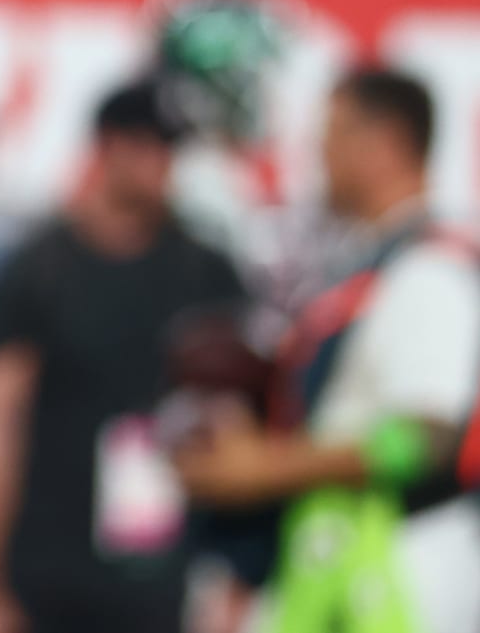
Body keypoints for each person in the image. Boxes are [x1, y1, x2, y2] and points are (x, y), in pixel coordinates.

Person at [177, 68, 480, 633]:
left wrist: (263, 468)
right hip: (349, 565)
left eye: (331, 136)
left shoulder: (427, 273)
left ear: (383, 144)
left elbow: (423, 439)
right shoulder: (374, 265)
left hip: (400, 575)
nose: (318, 157)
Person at [0, 79, 245, 633]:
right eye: (146, 144)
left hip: (168, 566)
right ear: (107, 147)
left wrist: (233, 575)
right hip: (48, 565)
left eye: (170, 148)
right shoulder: (41, 269)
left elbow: (238, 422)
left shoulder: (207, 273)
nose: (161, 163)